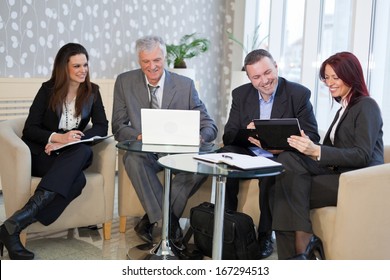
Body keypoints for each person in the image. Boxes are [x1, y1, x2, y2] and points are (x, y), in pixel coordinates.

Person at [0, 43, 108, 260]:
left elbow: (101, 126)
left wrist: (73, 139)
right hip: (44, 154)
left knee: (83, 153)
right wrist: (57, 138)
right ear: (63, 68)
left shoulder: (92, 91)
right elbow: (30, 128)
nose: (83, 70)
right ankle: (13, 227)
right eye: (76, 65)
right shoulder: (47, 90)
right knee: (77, 180)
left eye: (85, 64)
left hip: (70, 153)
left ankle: (13, 225)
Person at [271, 51, 384, 259]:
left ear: (352, 76)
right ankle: (298, 255)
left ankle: (298, 251)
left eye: (335, 77)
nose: (329, 83)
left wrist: (316, 150)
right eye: (327, 77)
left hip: (356, 180)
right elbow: (333, 151)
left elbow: (362, 155)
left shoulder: (367, 106)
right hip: (336, 173)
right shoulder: (343, 108)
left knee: (281, 191)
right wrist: (306, 144)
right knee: (286, 159)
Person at [112, 35, 217, 245]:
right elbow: (118, 125)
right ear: (139, 61)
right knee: (132, 160)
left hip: (178, 153)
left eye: (156, 60)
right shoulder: (124, 82)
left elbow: (210, 125)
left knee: (199, 169)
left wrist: (201, 136)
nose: (152, 67)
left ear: (165, 58)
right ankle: (169, 225)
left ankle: (151, 222)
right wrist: (138, 136)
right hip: (145, 151)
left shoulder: (185, 85)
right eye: (145, 62)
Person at [221, 49, 320, 259]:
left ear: (276, 66)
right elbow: (228, 135)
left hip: (279, 154)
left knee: (270, 170)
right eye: (256, 77)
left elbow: (312, 136)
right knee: (225, 156)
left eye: (268, 72)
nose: (265, 81)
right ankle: (226, 229)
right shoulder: (240, 94)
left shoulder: (298, 94)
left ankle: (265, 234)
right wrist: (245, 132)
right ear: (249, 78)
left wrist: (280, 147)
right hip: (248, 151)